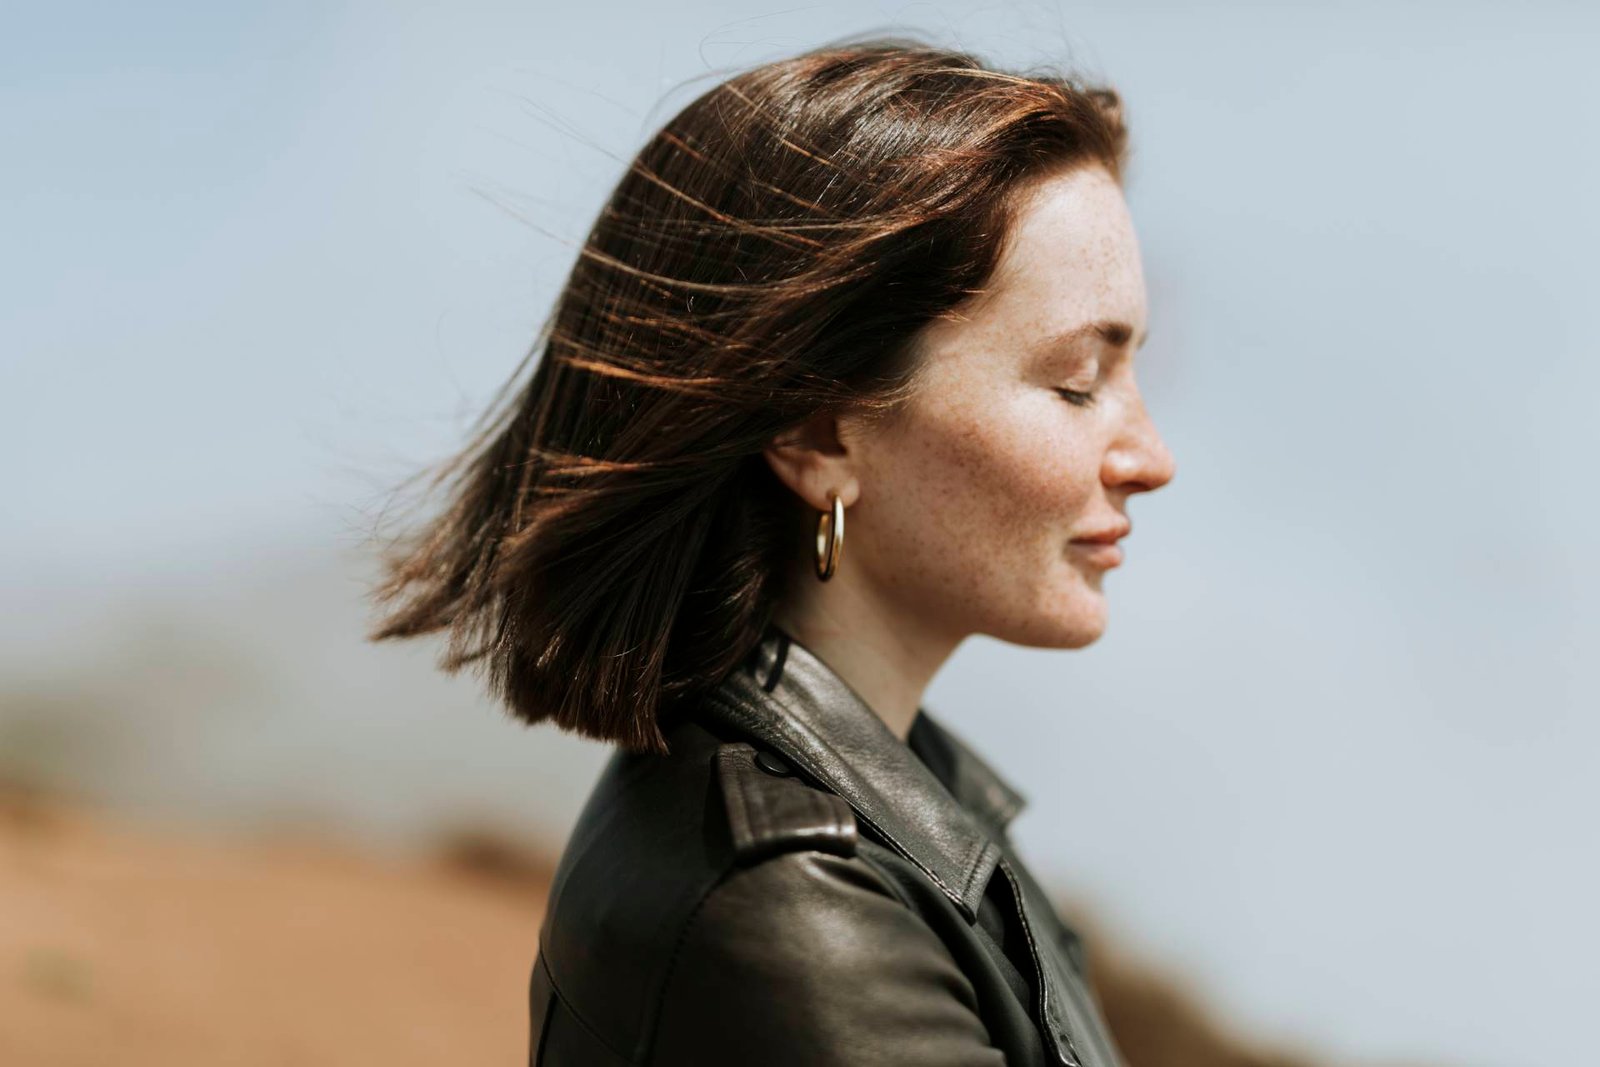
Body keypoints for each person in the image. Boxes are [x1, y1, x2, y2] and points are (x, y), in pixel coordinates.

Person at [366, 33, 1175, 1066]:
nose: (1149, 456)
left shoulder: (887, 805)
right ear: (818, 433)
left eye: (1133, 371)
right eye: (1074, 382)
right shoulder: (792, 905)